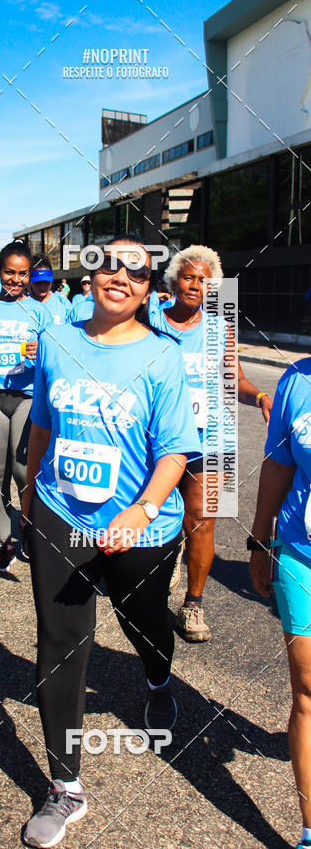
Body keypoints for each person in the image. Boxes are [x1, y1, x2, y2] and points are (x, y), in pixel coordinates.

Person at [21, 236, 200, 847]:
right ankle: (65, 787)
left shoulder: (163, 357)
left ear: (150, 289)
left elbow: (176, 449)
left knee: (144, 622)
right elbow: (42, 421)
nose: (120, 276)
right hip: (59, 511)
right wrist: (27, 493)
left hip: (140, 524)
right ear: (89, 273)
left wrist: (142, 510)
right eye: (108, 264)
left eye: (137, 271)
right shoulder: (58, 341)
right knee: (61, 638)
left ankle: (156, 679)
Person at [149, 244, 273, 642]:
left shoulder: (221, 329)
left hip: (210, 438)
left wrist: (259, 397)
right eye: (188, 276)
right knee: (156, 517)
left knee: (202, 521)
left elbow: (233, 380)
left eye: (205, 280)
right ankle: (153, 579)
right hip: (158, 439)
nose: (195, 285)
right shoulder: (150, 322)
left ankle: (193, 605)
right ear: (174, 280)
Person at [249, 357, 311, 849]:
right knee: (308, 691)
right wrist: (259, 539)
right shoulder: (296, 380)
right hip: (300, 551)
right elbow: (278, 465)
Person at [0, 239, 52, 574]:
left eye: (22, 274)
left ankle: (29, 532)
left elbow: (54, 360)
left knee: (22, 472)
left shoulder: (40, 311)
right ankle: (4, 545)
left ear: (29, 275)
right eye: (8, 273)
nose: (15, 280)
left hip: (27, 398)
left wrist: (39, 354)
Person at [29, 254, 71, 324]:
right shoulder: (22, 304)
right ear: (30, 281)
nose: (42, 286)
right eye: (38, 282)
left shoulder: (64, 303)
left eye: (46, 282)